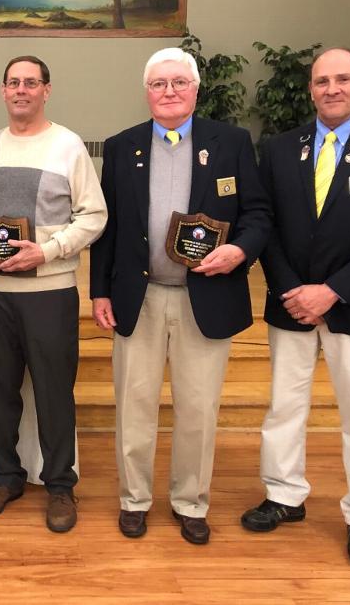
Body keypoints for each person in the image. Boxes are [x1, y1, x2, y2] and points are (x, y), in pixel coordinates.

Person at [241, 48, 350, 569]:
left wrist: (332, 291)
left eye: (342, 79)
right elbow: (265, 225)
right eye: (322, 81)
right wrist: (294, 290)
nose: (331, 89)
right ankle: (284, 495)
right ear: (311, 89)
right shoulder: (280, 149)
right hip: (291, 303)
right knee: (284, 406)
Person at [90, 47, 270, 545]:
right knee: (134, 407)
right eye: (158, 84)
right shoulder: (123, 146)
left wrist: (239, 251)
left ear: (195, 89)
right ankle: (134, 499)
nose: (168, 92)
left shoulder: (231, 143)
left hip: (205, 299)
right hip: (139, 297)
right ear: (146, 91)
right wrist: (100, 291)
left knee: (198, 409)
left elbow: (258, 214)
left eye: (178, 83)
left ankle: (191, 502)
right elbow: (109, 227)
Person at [0, 55, 107, 533]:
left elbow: (94, 216)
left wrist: (46, 252)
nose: (21, 90)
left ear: (46, 89)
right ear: (2, 90)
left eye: (30, 82)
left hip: (50, 290)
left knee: (53, 391)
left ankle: (60, 485)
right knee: (0, 388)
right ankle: (5, 477)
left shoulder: (68, 146)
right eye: (13, 82)